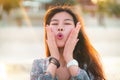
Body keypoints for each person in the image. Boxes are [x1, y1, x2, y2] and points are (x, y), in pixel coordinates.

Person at [30, 6, 106, 80]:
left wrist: (69, 58)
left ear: (77, 30)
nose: (60, 27)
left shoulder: (89, 65)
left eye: (67, 23)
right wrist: (54, 60)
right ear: (47, 30)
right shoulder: (38, 65)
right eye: (55, 24)